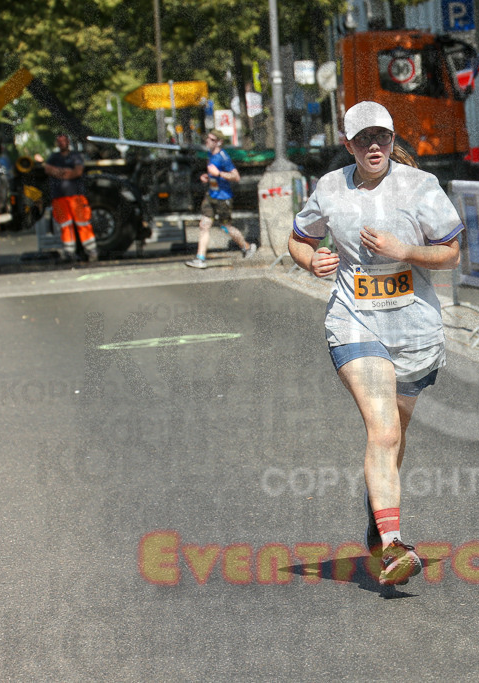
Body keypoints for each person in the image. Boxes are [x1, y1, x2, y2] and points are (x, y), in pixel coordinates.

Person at [286, 101, 463, 586]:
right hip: (354, 322)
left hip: (414, 332)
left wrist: (406, 251)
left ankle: (378, 516)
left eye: (381, 136)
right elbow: (298, 238)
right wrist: (310, 261)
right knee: (383, 432)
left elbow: (450, 253)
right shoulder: (330, 188)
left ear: (390, 139)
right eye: (363, 139)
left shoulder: (420, 187)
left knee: (393, 437)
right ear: (348, 145)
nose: (374, 146)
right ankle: (393, 545)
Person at [185, 129, 256, 268]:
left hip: (223, 198)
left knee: (226, 227)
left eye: (211, 139)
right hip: (211, 195)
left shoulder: (224, 157)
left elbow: (236, 176)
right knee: (204, 225)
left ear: (219, 142)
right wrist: (207, 177)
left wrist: (219, 174)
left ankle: (247, 247)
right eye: (207, 139)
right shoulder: (209, 154)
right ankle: (200, 258)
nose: (208, 141)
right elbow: (212, 173)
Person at [44, 132, 97, 262]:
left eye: (64, 140)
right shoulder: (54, 157)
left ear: (68, 142)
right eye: (59, 141)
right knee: (64, 225)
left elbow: (78, 171)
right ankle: (69, 252)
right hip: (59, 197)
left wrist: (61, 173)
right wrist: (65, 172)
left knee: (82, 223)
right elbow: (47, 168)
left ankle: (91, 250)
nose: (62, 143)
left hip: (76, 196)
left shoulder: (75, 156)